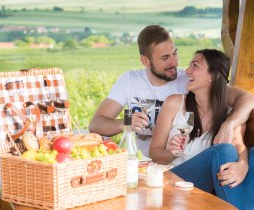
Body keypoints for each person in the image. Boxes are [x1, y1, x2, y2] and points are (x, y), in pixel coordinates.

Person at [88, 25, 254, 158]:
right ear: (145, 60)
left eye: (175, 54)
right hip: (143, 161)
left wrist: (230, 124)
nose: (174, 62)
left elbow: (247, 98)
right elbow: (96, 125)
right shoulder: (130, 81)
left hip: (183, 160)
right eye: (165, 58)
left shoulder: (190, 81)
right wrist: (126, 123)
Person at [150, 49, 254, 210]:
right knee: (223, 151)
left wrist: (243, 164)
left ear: (213, 76)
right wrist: (171, 151)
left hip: (204, 186)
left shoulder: (231, 114)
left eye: (195, 66)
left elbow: (238, 145)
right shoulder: (174, 104)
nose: (187, 70)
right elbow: (155, 154)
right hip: (172, 181)